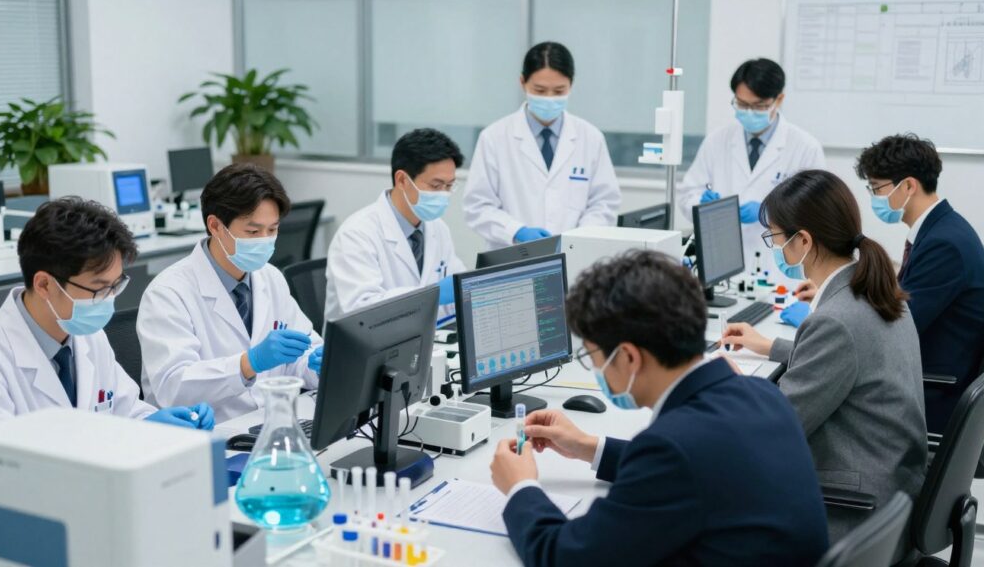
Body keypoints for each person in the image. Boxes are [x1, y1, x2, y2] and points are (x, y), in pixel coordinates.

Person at [489, 250, 828, 566]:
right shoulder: (760, 393)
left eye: (592, 356)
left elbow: (565, 556)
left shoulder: (671, 448)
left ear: (629, 357)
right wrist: (588, 448)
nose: (595, 368)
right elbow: (694, 469)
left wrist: (521, 487)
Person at [0, 197, 214, 534]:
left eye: (115, 286)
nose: (108, 300)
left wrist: (153, 421)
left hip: (94, 513)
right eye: (98, 288)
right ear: (44, 284)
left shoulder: (85, 335)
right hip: (17, 533)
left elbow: (121, 408)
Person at [720, 170, 926, 552]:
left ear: (803, 241)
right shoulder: (879, 290)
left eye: (775, 238)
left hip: (855, 514)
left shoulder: (836, 321)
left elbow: (774, 430)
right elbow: (852, 359)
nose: (774, 247)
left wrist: (730, 386)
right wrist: (771, 348)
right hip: (894, 490)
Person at [138, 164, 322, 422]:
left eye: (273, 230)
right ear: (215, 225)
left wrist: (317, 363)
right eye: (253, 231)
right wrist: (248, 363)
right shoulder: (168, 293)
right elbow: (173, 387)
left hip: (266, 422)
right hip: (209, 434)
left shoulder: (271, 278)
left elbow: (299, 353)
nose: (265, 240)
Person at [854, 135, 984, 434]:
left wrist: (836, 310)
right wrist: (852, 289)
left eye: (877, 188)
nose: (874, 198)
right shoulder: (941, 228)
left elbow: (895, 326)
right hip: (929, 372)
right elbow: (905, 297)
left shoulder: (944, 244)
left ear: (909, 186)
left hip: (934, 392)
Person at [464, 41, 621, 250]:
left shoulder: (590, 137)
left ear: (571, 85)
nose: (549, 98)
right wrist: (516, 231)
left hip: (573, 257)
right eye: (539, 90)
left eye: (559, 91)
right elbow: (477, 205)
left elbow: (604, 202)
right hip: (513, 256)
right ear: (522, 83)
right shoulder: (494, 137)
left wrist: (580, 238)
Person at [677, 58, 825, 277]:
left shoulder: (805, 147)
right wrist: (704, 205)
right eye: (742, 104)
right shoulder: (717, 140)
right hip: (723, 263)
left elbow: (819, 213)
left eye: (758, 106)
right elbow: (687, 194)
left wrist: (771, 213)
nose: (749, 112)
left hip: (781, 268)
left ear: (779, 99)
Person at [325, 128, 466, 322]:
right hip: (368, 348)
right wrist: (433, 294)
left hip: (426, 341)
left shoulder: (438, 228)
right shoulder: (356, 234)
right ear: (402, 180)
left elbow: (456, 294)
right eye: (435, 185)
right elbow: (362, 310)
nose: (444, 194)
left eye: (449, 186)